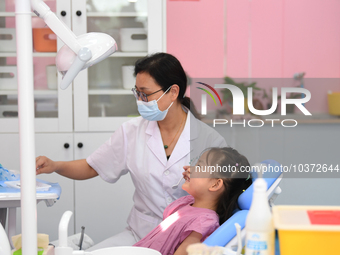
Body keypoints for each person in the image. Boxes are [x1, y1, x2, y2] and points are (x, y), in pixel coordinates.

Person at [35, 53, 227, 250]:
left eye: (146, 94)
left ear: (173, 92)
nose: (141, 100)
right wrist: (55, 165)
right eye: (137, 93)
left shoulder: (210, 141)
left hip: (188, 240)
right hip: (140, 233)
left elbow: (223, 196)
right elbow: (92, 166)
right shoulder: (132, 131)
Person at [133, 147, 252, 255]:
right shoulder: (188, 203)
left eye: (199, 167)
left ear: (215, 184)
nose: (188, 168)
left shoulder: (204, 221)